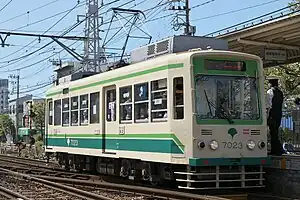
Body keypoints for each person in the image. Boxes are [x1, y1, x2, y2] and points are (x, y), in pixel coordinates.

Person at [266, 77, 285, 156]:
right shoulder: (280, 92)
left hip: (272, 115)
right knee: (275, 132)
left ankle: (277, 150)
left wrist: (267, 116)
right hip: (279, 114)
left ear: (270, 83)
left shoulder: (270, 91)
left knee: (273, 132)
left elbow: (268, 105)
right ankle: (277, 149)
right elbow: (282, 105)